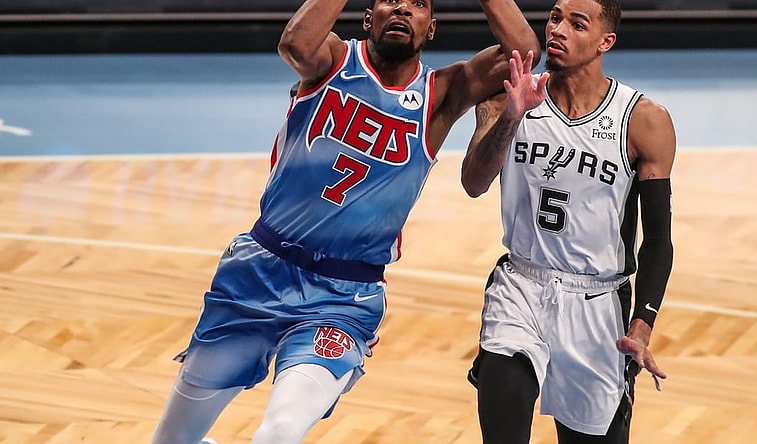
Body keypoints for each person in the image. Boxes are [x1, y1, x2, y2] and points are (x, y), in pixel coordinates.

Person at [150, 0, 541, 443]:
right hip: (258, 272)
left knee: (279, 432)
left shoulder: (441, 94)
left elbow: (524, 51)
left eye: (417, 5)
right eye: (390, 0)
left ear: (431, 28)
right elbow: (295, 44)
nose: (402, 9)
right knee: (171, 440)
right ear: (368, 17)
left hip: (342, 296)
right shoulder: (333, 60)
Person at [460, 0, 676, 442]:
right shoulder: (509, 95)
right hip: (521, 286)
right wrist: (512, 117)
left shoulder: (643, 121)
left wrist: (643, 321)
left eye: (577, 24)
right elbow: (474, 182)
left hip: (597, 304)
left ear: (605, 42)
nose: (558, 30)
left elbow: (657, 239)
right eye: (555, 18)